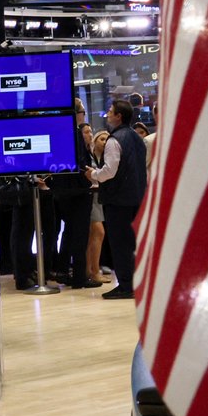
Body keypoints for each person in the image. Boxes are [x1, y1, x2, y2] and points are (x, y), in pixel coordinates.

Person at [86, 99, 148, 301]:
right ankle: (136, 284)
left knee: (120, 245)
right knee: (133, 244)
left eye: (111, 111)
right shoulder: (137, 138)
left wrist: (93, 174)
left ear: (119, 116)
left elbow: (109, 171)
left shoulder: (114, 140)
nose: (108, 114)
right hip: (137, 198)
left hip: (118, 200)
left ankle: (126, 286)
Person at [48, 101, 95, 287]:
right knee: (80, 235)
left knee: (69, 232)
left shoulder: (57, 132)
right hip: (77, 191)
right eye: (82, 111)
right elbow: (80, 164)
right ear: (77, 113)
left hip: (62, 192)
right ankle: (79, 278)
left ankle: (64, 271)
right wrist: (89, 180)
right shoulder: (74, 133)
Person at [85, 130, 112, 289]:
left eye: (107, 139)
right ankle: (94, 271)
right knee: (98, 232)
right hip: (91, 197)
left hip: (99, 199)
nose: (105, 141)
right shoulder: (90, 157)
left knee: (94, 235)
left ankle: (90, 269)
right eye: (102, 138)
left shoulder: (105, 159)